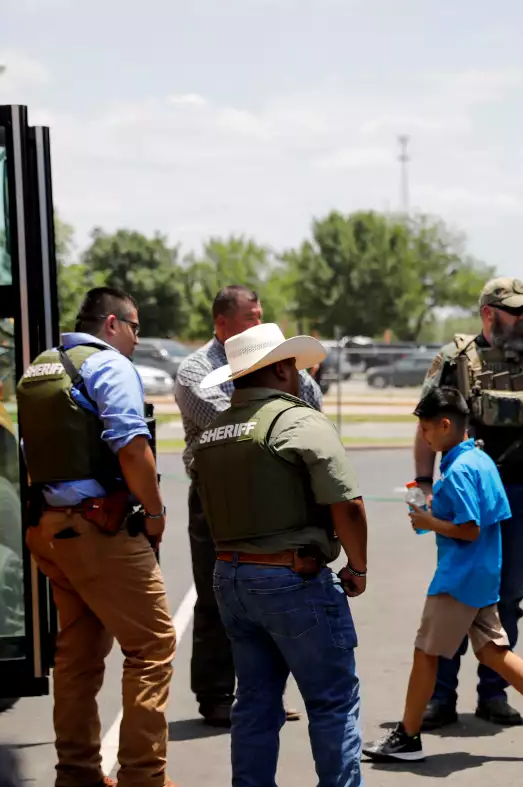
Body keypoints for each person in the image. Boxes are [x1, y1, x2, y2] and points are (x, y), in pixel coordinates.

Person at [363, 388, 523, 763]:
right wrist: (434, 513)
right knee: (493, 650)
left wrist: (429, 521)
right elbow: (484, 515)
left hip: (459, 577)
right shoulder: (479, 460)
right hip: (482, 573)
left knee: (426, 652)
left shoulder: (460, 468)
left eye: (426, 428)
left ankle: (407, 736)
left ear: (446, 425)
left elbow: (469, 528)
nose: (423, 436)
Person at [192, 323, 369, 787]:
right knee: (332, 701)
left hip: (231, 578)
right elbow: (348, 505)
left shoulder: (213, 433)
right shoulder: (298, 421)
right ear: (284, 368)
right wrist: (358, 566)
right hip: (292, 577)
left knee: (253, 701)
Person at [16, 287, 178, 787]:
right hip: (99, 529)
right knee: (152, 644)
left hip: (49, 529)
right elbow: (131, 447)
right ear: (112, 324)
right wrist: (154, 513)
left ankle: (79, 773)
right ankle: (143, 778)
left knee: (78, 655)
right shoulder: (107, 366)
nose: (135, 339)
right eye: (134, 328)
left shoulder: (41, 367)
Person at [414, 276, 523, 729]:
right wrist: (423, 482)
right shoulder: (453, 358)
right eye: (515, 310)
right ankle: (440, 699)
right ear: (489, 313)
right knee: (454, 590)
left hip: (522, 492)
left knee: (507, 594)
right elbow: (426, 421)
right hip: (463, 493)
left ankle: (493, 694)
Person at [174, 285, 323, 727]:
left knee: (272, 590)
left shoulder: (276, 362)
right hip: (217, 498)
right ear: (222, 325)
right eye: (251, 317)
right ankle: (217, 694)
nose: (260, 324)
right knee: (217, 594)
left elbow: (312, 407)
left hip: (274, 495)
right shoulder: (196, 370)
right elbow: (236, 426)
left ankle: (264, 693)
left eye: (261, 315)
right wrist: (285, 415)